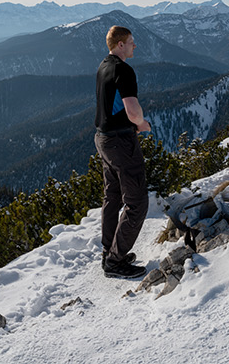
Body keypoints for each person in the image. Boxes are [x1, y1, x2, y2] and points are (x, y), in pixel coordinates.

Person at [93, 25, 151, 279]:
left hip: (103, 139)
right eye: (130, 42)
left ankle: (109, 252)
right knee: (137, 201)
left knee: (112, 197)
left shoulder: (103, 66)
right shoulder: (123, 69)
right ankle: (115, 262)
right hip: (120, 142)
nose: (134, 45)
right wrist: (141, 124)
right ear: (120, 45)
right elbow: (132, 110)